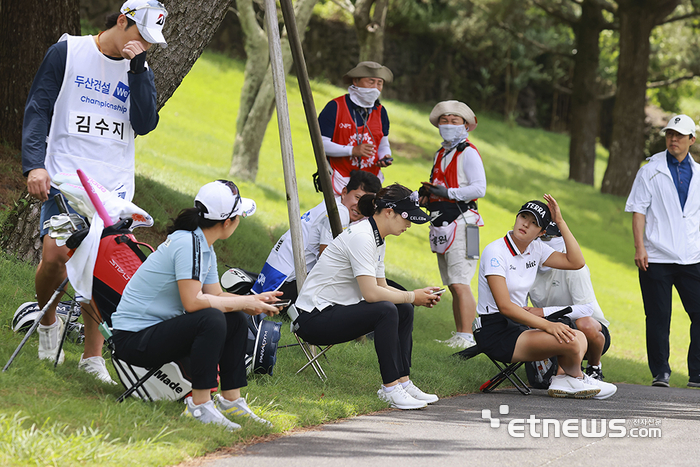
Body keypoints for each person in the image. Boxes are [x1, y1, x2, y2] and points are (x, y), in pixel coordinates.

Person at [21, 0, 166, 383]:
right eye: (141, 37)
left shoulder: (140, 67)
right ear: (122, 20)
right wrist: (35, 164)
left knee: (97, 264)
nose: (145, 47)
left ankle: (92, 356)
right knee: (54, 256)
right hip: (67, 176)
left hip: (114, 187)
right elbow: (38, 107)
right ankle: (49, 323)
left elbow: (146, 122)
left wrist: (138, 70)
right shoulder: (68, 50)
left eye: (151, 43)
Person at [111, 180, 282, 430]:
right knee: (211, 318)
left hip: (154, 333)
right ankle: (199, 406)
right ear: (227, 222)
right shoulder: (189, 244)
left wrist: (252, 302)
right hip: (133, 341)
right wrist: (243, 300)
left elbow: (216, 295)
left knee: (234, 318)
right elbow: (193, 303)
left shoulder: (203, 245)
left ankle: (230, 400)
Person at [294, 184, 442, 409]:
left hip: (336, 310)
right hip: (313, 319)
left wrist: (415, 297)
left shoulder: (376, 237)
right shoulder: (363, 236)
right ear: (389, 212)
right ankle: (390, 389)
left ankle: (403, 381)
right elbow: (371, 294)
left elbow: (381, 286)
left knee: (403, 308)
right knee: (386, 309)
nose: (409, 225)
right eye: (407, 218)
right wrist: (412, 295)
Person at [476, 196, 617, 399]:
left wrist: (560, 222)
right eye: (524, 217)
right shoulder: (495, 251)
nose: (526, 224)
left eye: (534, 223)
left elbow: (576, 262)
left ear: (541, 233)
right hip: (495, 330)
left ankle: (565, 380)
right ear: (516, 217)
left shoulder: (536, 249)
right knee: (572, 340)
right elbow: (505, 307)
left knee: (576, 336)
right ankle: (576, 379)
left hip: (518, 325)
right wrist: (548, 325)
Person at [625, 114, 700, 388]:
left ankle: (697, 374)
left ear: (691, 139)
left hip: (692, 257)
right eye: (670, 133)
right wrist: (640, 247)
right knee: (658, 317)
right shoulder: (649, 170)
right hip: (655, 257)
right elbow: (638, 211)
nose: (673, 139)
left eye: (680, 135)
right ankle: (661, 372)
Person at [253, 170, 381, 301]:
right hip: (281, 288)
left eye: (366, 202)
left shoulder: (332, 204)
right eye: (358, 197)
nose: (359, 206)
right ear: (344, 192)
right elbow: (326, 259)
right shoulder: (339, 213)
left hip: (270, 280)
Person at [419, 100, 485, 350]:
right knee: (453, 283)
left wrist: (447, 192)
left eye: (454, 121)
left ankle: (467, 337)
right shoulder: (441, 153)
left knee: (460, 282)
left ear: (466, 126)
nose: (448, 125)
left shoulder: (468, 152)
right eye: (444, 121)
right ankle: (461, 334)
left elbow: (480, 188)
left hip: (465, 223)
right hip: (444, 222)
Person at [526, 222, 612, 380]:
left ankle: (594, 368)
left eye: (550, 236)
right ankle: (564, 372)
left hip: (590, 328)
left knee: (583, 324)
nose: (545, 240)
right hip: (549, 325)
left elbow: (586, 309)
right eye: (542, 235)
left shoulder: (574, 264)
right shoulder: (526, 263)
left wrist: (542, 312)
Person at [317, 61, 394, 196]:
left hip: (371, 183)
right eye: (371, 82)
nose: (375, 88)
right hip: (340, 179)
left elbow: (383, 144)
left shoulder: (381, 112)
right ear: (356, 81)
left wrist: (385, 156)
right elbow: (320, 144)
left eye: (379, 83)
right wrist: (352, 150)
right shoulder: (335, 107)